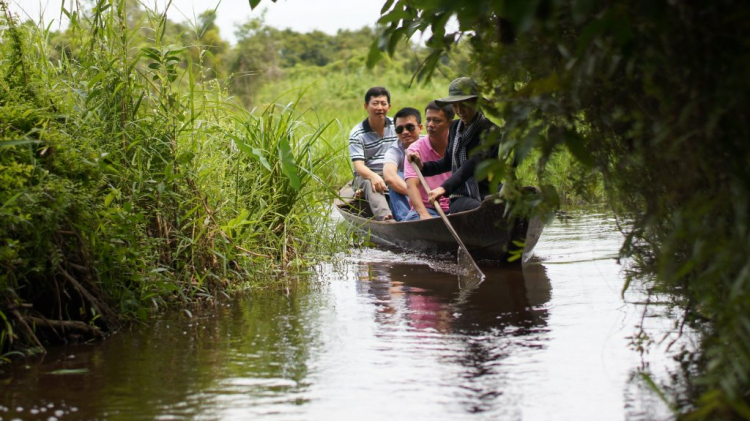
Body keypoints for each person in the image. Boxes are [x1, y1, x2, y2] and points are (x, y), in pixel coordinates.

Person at [408, 77, 503, 214]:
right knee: (478, 208)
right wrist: (422, 166)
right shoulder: (454, 127)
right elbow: (447, 161)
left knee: (512, 195)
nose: (460, 110)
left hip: (487, 191)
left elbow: (474, 163)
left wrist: (443, 188)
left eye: (464, 105)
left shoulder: (491, 131)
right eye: (455, 106)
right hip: (461, 196)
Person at [348, 87, 399, 221]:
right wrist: (374, 176)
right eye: (375, 103)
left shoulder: (396, 125)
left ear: (389, 106)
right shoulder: (357, 133)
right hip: (367, 174)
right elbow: (359, 167)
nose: (380, 107)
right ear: (366, 106)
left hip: (393, 171)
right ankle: (386, 217)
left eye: (383, 103)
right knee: (369, 183)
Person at [402, 102, 455, 221]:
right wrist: (423, 214)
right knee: (413, 219)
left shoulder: (457, 146)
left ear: (450, 124)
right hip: (429, 207)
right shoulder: (414, 150)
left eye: (436, 120)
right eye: (428, 120)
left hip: (456, 205)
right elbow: (412, 186)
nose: (430, 125)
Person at [382, 107, 423, 221]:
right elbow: (389, 177)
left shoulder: (429, 144)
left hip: (431, 191)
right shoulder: (394, 151)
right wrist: (417, 197)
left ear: (420, 128)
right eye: (400, 129)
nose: (405, 132)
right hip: (413, 196)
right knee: (399, 175)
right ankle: (407, 219)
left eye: (410, 127)